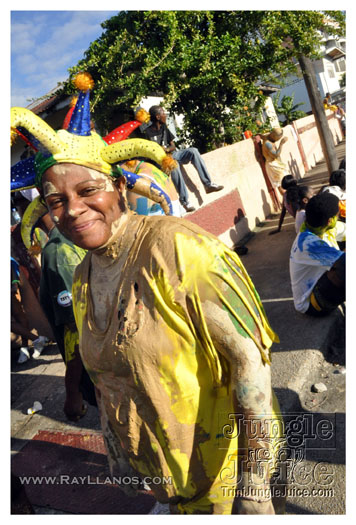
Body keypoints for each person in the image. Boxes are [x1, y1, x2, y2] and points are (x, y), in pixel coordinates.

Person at [11, 79, 286, 514]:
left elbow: (249, 361)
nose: (73, 209)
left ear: (119, 187)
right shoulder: (82, 278)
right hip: (166, 484)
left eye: (87, 190)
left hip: (225, 481)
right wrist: (117, 448)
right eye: (56, 200)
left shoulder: (178, 248)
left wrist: (254, 483)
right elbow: (105, 378)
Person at [24, 204, 97, 420]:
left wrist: (72, 392)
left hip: (96, 370)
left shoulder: (56, 251)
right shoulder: (80, 234)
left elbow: (74, 327)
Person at [144, 106, 224, 213]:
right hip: (160, 162)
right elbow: (146, 154)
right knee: (174, 165)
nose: (165, 115)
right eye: (163, 113)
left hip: (171, 155)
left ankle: (208, 184)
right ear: (158, 117)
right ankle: (185, 201)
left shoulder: (164, 128)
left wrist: (167, 149)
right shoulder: (147, 133)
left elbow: (173, 146)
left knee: (193, 151)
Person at [290, 192, 345, 316]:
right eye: (338, 214)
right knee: (345, 267)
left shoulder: (316, 227)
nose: (340, 216)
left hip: (320, 284)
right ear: (330, 221)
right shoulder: (308, 243)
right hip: (310, 304)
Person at [261, 128, 289, 197]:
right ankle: (287, 200)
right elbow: (275, 154)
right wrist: (281, 143)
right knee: (280, 184)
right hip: (272, 165)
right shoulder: (268, 143)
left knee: (286, 181)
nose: (277, 140)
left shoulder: (269, 137)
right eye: (278, 139)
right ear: (273, 136)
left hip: (276, 163)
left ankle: (290, 199)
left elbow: (261, 136)